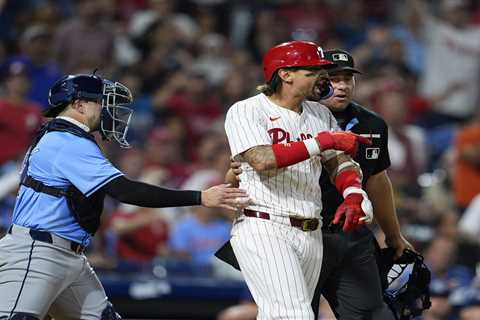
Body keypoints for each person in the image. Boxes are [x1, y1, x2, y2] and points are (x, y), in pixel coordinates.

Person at [0, 73, 249, 320]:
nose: (107, 109)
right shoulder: (66, 141)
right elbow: (125, 191)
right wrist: (200, 197)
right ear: (77, 105)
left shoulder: (64, 138)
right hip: (37, 251)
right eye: (100, 101)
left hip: (68, 254)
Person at [223, 40, 373, 319]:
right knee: (293, 315)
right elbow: (261, 159)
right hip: (264, 224)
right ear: (285, 74)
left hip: (310, 230)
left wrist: (354, 194)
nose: (323, 76)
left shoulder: (320, 113)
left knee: (279, 314)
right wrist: (323, 141)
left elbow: (339, 161)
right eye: (313, 71)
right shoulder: (246, 110)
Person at [310, 49, 413, 320]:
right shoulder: (292, 120)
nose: (342, 85)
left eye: (348, 78)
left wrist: (393, 234)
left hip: (350, 234)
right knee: (293, 314)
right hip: (301, 232)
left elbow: (377, 180)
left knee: (374, 315)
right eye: (334, 78)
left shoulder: (372, 124)